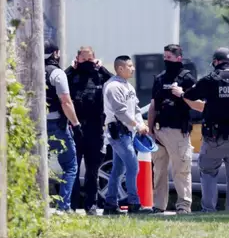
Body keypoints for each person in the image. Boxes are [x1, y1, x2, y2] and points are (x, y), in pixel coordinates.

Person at [172, 48, 229, 212]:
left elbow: (191, 96)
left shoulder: (209, 80)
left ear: (215, 62)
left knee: (208, 173)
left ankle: (209, 210)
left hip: (214, 137)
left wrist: (181, 92)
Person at [148, 44, 197, 214]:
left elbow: (198, 105)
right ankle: (158, 205)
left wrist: (182, 94)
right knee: (159, 171)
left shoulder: (187, 78)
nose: (165, 60)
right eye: (164, 57)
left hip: (178, 131)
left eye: (169, 57)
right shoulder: (160, 78)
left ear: (178, 58)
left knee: (181, 170)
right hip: (160, 131)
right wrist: (150, 129)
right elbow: (153, 104)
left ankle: (183, 206)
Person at [66, 46, 113, 216]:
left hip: (95, 128)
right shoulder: (71, 75)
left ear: (94, 58)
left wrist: (100, 67)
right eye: (83, 59)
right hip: (75, 128)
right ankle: (72, 204)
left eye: (89, 59)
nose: (86, 62)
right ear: (77, 58)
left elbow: (115, 82)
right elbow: (60, 82)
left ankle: (90, 205)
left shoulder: (99, 75)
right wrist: (72, 67)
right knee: (74, 168)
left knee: (92, 171)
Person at [103, 55, 151, 215]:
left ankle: (110, 204)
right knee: (133, 167)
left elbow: (135, 109)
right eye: (129, 66)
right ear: (120, 68)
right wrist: (138, 125)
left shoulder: (128, 87)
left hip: (127, 133)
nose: (133, 68)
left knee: (118, 169)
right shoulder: (113, 87)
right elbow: (121, 112)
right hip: (118, 132)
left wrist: (141, 124)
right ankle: (134, 203)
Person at [44, 40, 83, 213]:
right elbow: (66, 102)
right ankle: (63, 207)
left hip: (34, 126)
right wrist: (75, 123)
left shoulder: (30, 70)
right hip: (56, 125)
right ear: (55, 54)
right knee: (70, 166)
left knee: (36, 165)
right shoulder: (57, 73)